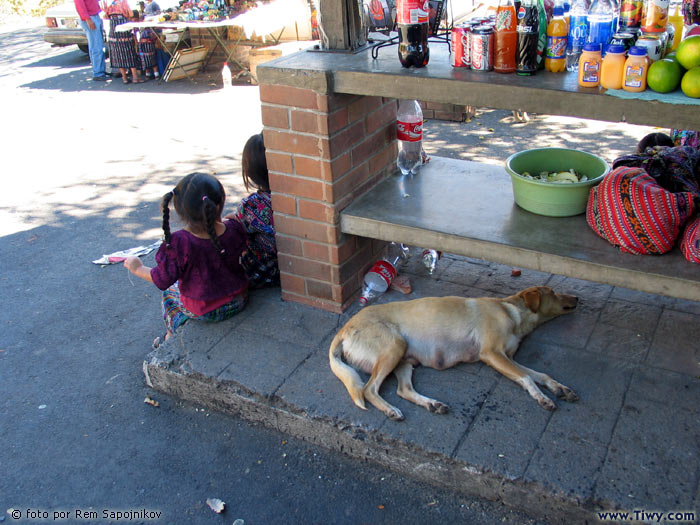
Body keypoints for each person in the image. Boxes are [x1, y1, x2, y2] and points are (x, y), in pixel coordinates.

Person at [124, 173, 249, 346]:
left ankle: (170, 337)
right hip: (239, 299)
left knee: (169, 295)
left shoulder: (180, 243)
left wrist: (137, 268)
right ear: (217, 205)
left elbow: (161, 279)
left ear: (181, 211)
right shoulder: (234, 228)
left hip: (205, 310)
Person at [225, 133, 280, 288]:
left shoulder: (251, 205)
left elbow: (236, 229)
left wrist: (233, 219)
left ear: (250, 172)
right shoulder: (295, 197)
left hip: (265, 272)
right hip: (293, 268)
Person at [102, 0, 143, 83]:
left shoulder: (107, 2)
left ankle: (124, 78)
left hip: (113, 27)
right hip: (123, 25)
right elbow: (131, 14)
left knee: (118, 52)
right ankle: (135, 77)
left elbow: (105, 16)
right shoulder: (123, 1)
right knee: (129, 50)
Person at [74, 0, 109, 81]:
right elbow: (80, 5)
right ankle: (98, 73)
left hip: (95, 16)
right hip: (90, 18)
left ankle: (101, 70)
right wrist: (87, 19)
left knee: (99, 45)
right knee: (96, 46)